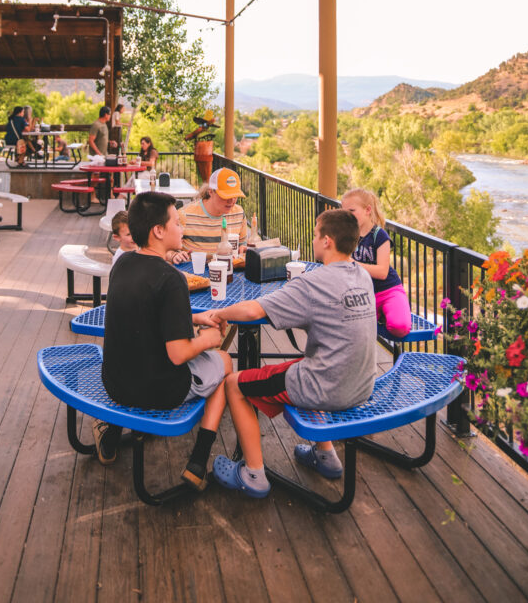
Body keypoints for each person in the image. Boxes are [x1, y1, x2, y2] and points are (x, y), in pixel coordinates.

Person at [198, 208, 376, 498]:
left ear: (327, 241)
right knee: (307, 364)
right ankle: (326, 455)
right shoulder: (362, 276)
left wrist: (219, 312)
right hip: (360, 384)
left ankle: (253, 473)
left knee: (234, 384)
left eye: (316, 234)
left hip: (327, 386)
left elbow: (254, 309)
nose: (314, 239)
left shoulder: (314, 282)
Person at [98, 191, 232, 489]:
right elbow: (178, 354)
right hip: (157, 390)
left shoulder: (123, 264)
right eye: (176, 222)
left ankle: (112, 431)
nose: (181, 228)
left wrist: (196, 318)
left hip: (116, 382)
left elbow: (144, 312)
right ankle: (198, 462)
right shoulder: (171, 279)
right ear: (158, 231)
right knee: (224, 363)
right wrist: (209, 339)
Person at [342, 187, 411, 338]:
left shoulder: (379, 236)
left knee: (400, 327)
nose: (347, 216)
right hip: (363, 294)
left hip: (388, 290)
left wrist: (353, 263)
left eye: (352, 211)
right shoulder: (347, 236)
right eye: (344, 212)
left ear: (367, 210)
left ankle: (388, 310)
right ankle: (380, 314)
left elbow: (382, 272)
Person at [169, 167, 247, 265]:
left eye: (235, 195)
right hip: (193, 272)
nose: (231, 201)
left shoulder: (239, 213)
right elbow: (166, 249)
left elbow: (242, 246)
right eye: (226, 196)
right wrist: (173, 255)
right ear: (211, 192)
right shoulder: (185, 214)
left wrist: (243, 249)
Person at [185, 110, 218, 182]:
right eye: (201, 124)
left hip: (206, 156)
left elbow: (189, 136)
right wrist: (205, 125)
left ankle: (206, 190)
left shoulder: (206, 133)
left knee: (207, 178)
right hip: (200, 155)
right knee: (203, 177)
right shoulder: (199, 132)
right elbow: (188, 137)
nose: (201, 126)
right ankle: (204, 190)